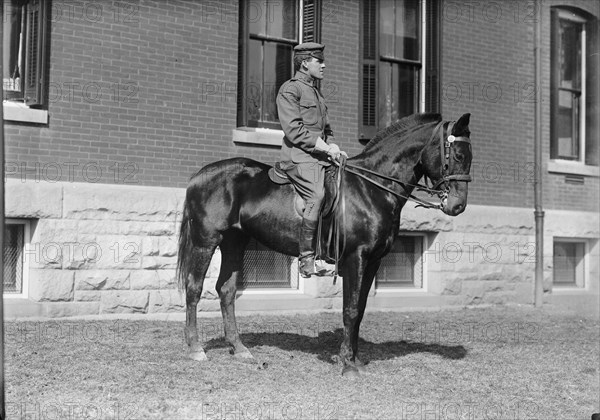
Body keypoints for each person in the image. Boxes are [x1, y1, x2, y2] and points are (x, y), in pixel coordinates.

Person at [276, 42, 347, 278]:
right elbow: (293, 130)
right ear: (305, 62)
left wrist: (333, 145)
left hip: (320, 157)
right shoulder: (290, 90)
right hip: (298, 157)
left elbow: (326, 129)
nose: (324, 64)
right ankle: (307, 260)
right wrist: (325, 147)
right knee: (316, 196)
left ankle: (330, 253)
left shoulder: (317, 93)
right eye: (319, 60)